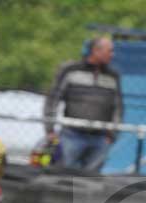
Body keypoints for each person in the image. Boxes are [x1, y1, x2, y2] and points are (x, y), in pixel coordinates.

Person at [43, 36, 123, 172]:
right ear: (96, 51)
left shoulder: (113, 76)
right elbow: (53, 99)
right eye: (109, 51)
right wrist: (50, 129)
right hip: (71, 135)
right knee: (63, 176)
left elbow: (118, 106)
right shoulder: (70, 70)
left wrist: (112, 135)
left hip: (100, 139)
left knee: (91, 181)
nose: (112, 55)